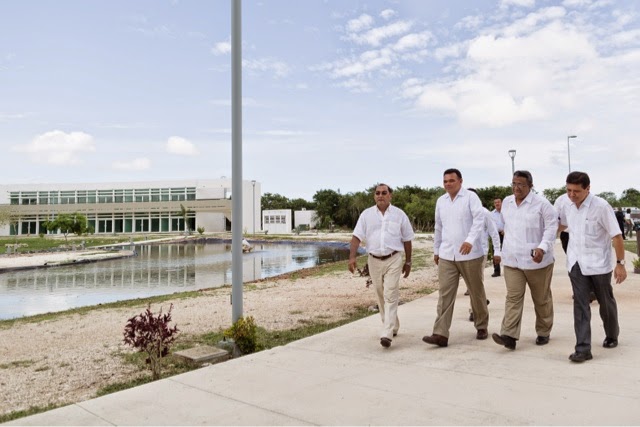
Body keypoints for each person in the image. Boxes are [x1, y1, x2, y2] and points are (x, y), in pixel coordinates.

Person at [559, 171, 627, 363]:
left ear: (588, 189)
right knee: (580, 305)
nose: (571, 195)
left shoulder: (601, 207)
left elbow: (617, 236)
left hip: (599, 264)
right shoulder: (566, 204)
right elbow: (561, 225)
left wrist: (620, 264)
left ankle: (612, 334)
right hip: (576, 263)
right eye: (568, 190)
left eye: (576, 191)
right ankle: (583, 349)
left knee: (605, 303)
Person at [491, 171, 557, 350]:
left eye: (521, 184)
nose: (516, 188)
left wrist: (542, 247)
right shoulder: (507, 202)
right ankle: (509, 335)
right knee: (513, 297)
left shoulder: (542, 204)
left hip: (537, 261)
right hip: (512, 260)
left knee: (541, 299)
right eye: (514, 183)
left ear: (531, 185)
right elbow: (506, 226)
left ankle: (543, 331)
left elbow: (551, 228)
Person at [423, 169, 489, 348]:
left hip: (470, 254)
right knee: (445, 294)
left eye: (451, 180)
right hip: (447, 254)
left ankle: (481, 325)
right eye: (445, 181)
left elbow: (478, 220)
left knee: (476, 292)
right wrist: (436, 250)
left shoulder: (470, 198)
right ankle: (440, 334)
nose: (448, 184)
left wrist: (469, 241)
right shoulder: (440, 201)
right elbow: (438, 226)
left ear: (460, 181)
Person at [348, 183, 414, 348]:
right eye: (377, 193)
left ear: (390, 195)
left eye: (384, 193)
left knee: (390, 293)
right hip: (374, 260)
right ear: (374, 196)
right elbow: (357, 236)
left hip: (393, 258)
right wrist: (352, 257)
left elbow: (407, 239)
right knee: (380, 293)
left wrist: (408, 261)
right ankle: (392, 324)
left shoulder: (399, 214)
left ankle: (387, 332)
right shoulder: (366, 215)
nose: (380, 196)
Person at [467, 188, 500, 322]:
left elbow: (494, 233)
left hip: (480, 252)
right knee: (472, 284)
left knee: (475, 283)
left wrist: (497, 251)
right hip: (464, 254)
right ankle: (481, 301)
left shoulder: (485, 213)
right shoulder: (463, 213)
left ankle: (474, 311)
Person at [490, 198, 505, 277]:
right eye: (495, 202)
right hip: (496, 235)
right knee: (495, 251)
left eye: (498, 202)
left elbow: (509, 222)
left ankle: (508, 269)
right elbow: (490, 225)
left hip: (506, 234)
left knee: (507, 251)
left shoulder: (506, 212)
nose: (497, 204)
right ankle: (496, 271)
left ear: (501, 202)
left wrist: (505, 230)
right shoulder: (491, 214)